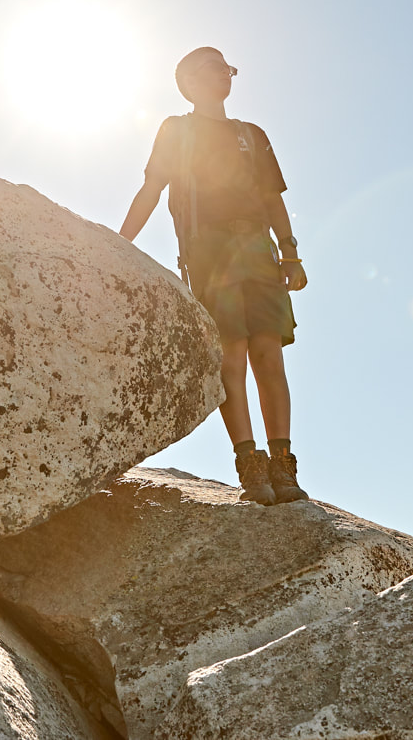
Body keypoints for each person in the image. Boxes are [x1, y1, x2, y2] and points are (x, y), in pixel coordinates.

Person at [119, 47, 311, 506]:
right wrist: (118, 244)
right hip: (208, 251)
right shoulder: (177, 131)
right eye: (212, 70)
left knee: (269, 353)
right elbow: (152, 187)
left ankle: (283, 466)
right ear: (186, 82)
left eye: (228, 69)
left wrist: (290, 252)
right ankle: (250, 465)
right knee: (233, 354)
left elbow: (271, 198)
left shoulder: (251, 135)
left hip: (258, 252)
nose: (224, 76)